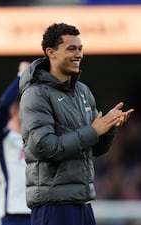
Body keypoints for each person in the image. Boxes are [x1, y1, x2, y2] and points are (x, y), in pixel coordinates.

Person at [19, 23, 134, 225]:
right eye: (71, 48)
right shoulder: (35, 94)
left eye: (80, 49)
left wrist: (109, 128)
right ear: (51, 53)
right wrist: (93, 130)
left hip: (82, 201)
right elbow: (44, 147)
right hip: (54, 205)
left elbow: (95, 148)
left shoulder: (82, 91)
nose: (78, 54)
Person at [0, 62, 31, 225]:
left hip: (39, 208)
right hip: (14, 211)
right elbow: (3, 104)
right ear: (14, 111)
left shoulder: (36, 138)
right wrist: (21, 76)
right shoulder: (3, 136)